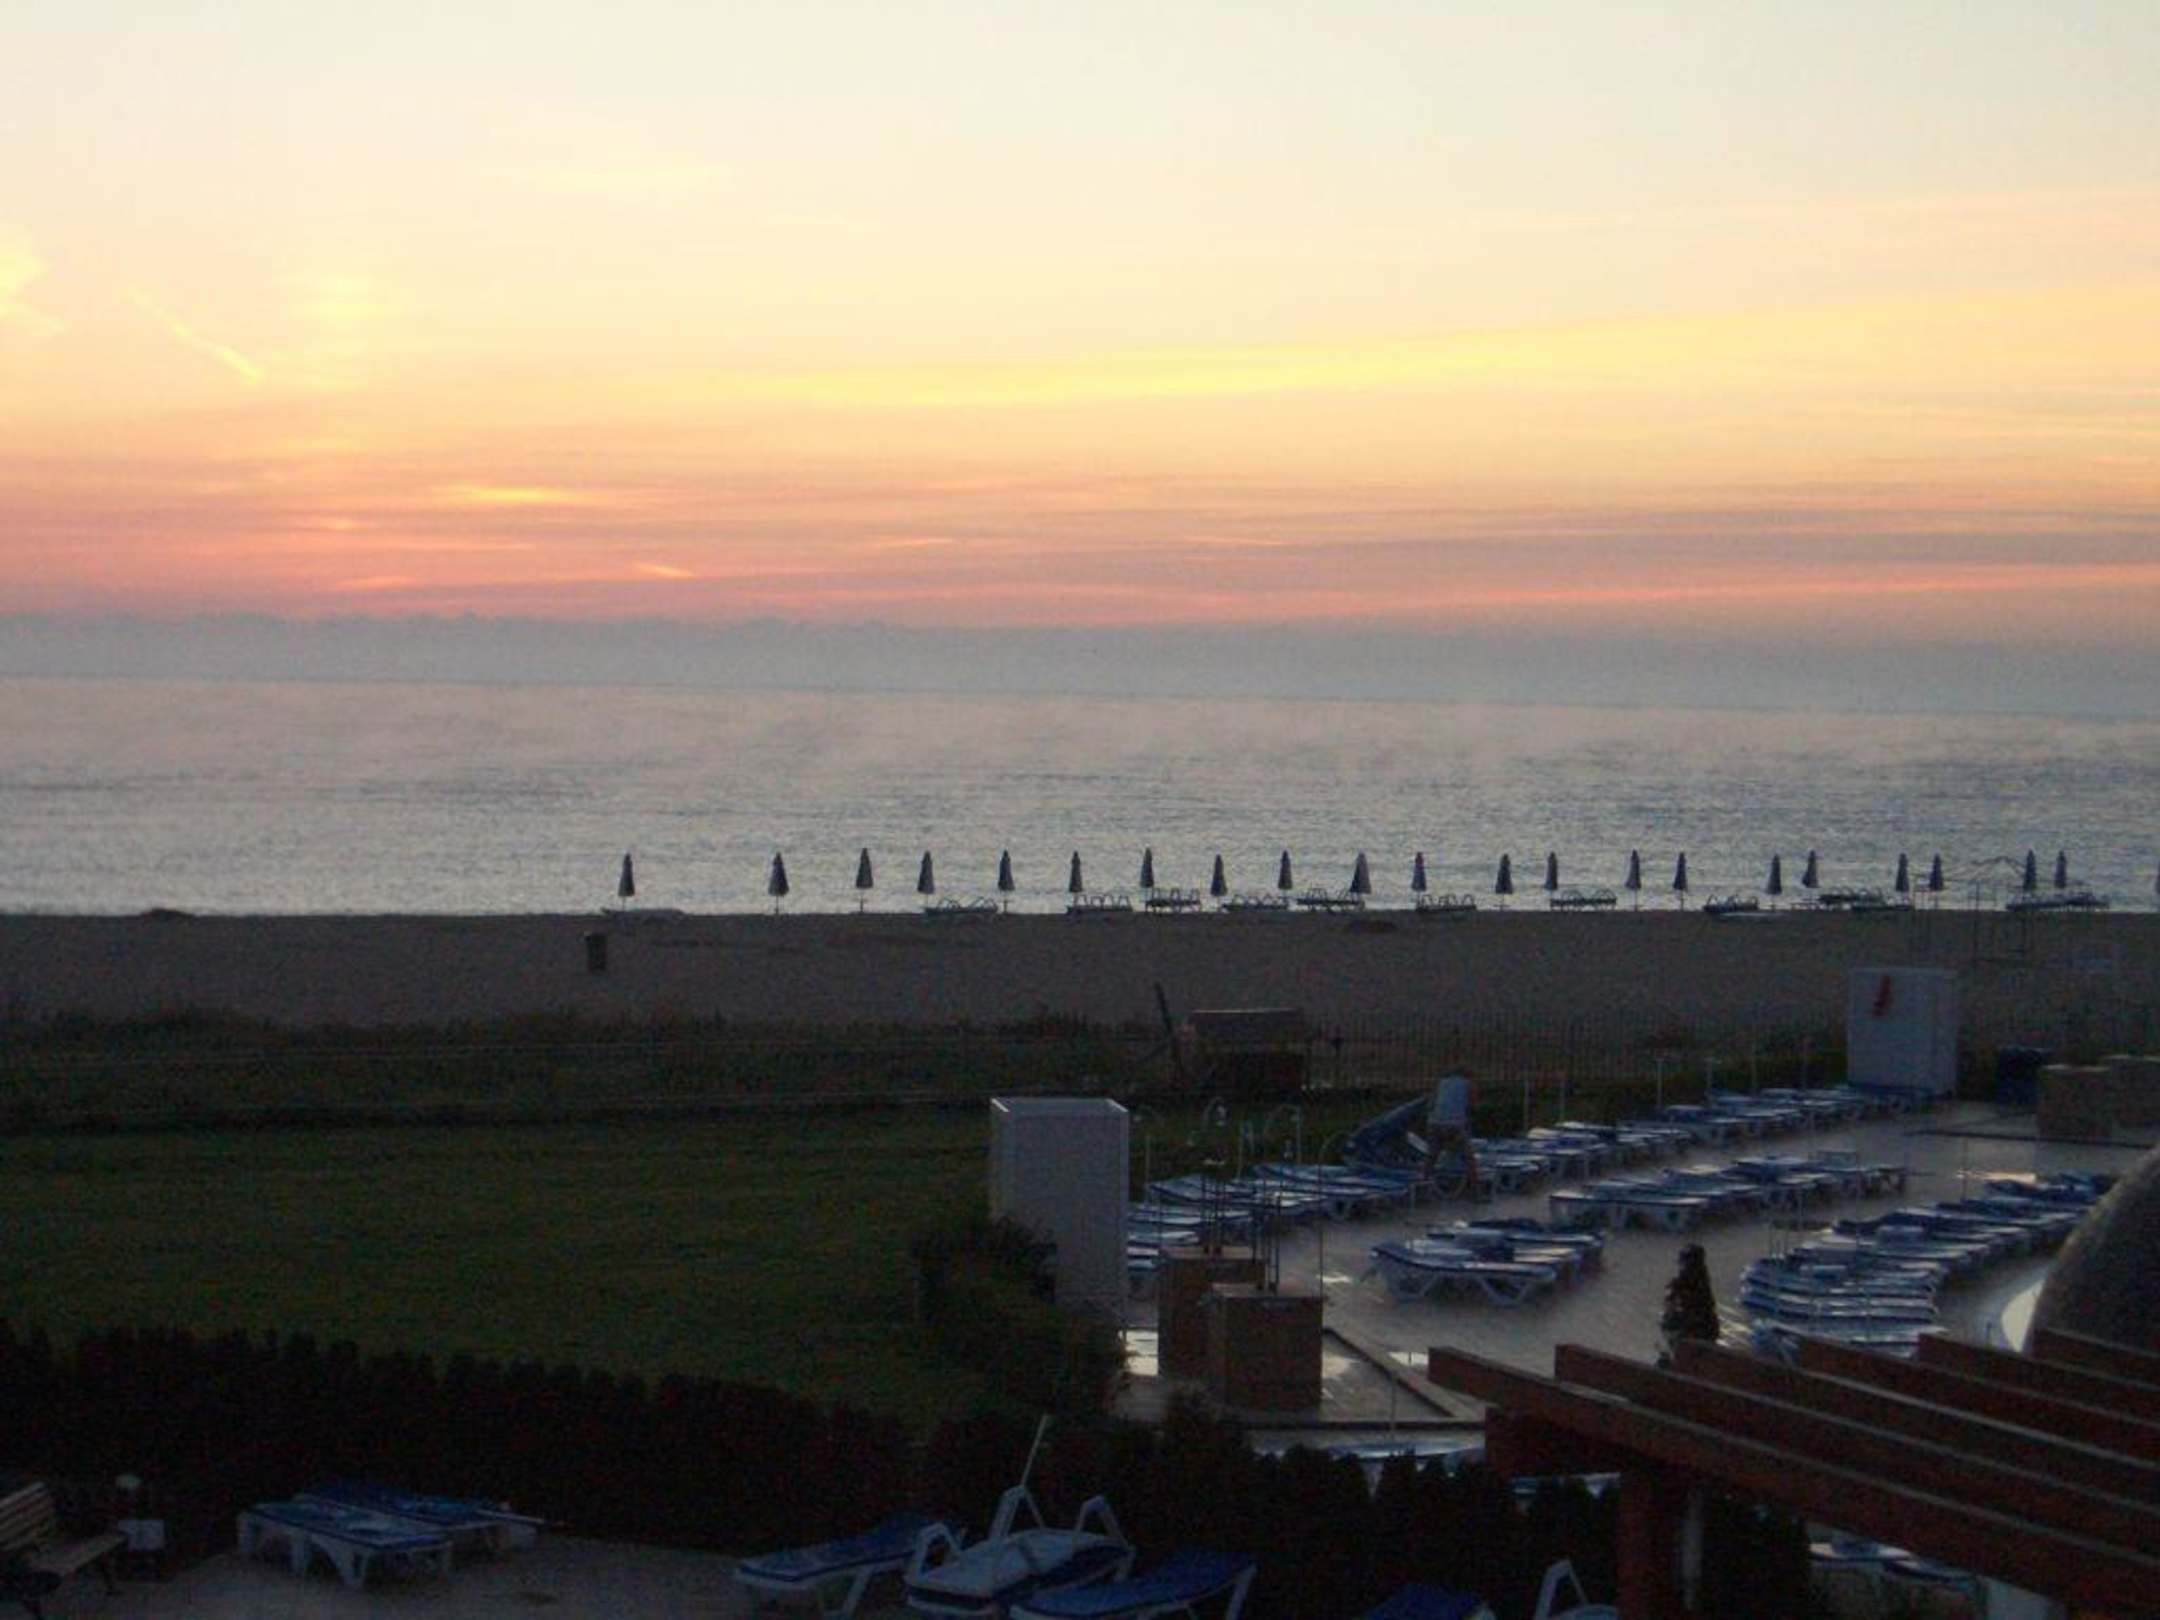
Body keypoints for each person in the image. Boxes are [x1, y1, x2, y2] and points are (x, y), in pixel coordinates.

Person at [1426, 1072, 1481, 1199]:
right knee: (1469, 1157)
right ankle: (1476, 1191)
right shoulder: (1469, 1084)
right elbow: (1473, 1106)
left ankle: (1423, 1184)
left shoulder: (1441, 1083)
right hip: (1454, 1124)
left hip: (1434, 1123)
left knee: (1432, 1156)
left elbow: (1430, 1104)